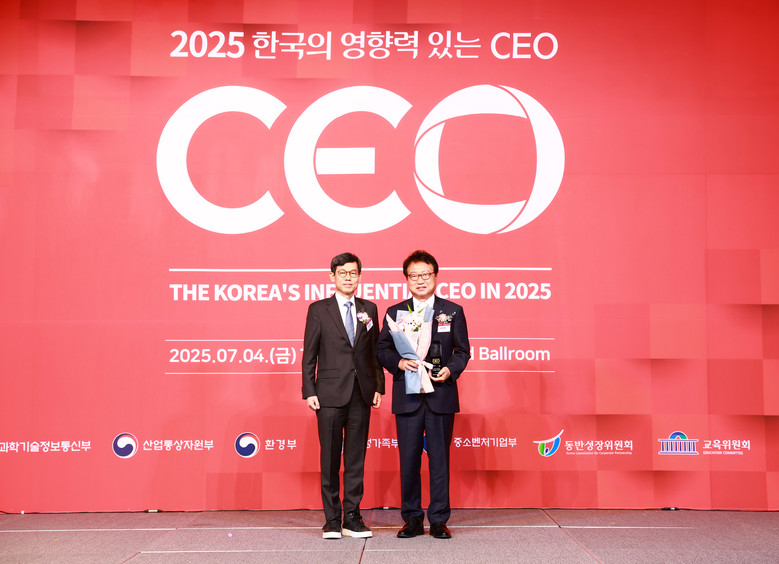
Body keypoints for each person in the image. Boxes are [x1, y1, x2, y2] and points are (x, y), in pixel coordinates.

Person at [376, 250, 470, 539]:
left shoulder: (452, 310)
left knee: (440, 460)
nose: (420, 280)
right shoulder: (395, 312)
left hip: (440, 394)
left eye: (425, 275)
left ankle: (439, 520)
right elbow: (382, 349)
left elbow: (463, 351)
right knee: (409, 461)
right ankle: (413, 519)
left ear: (435, 276)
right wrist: (399, 363)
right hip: (408, 395)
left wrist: (451, 369)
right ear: (406, 279)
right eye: (414, 276)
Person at [302, 252, 384, 539]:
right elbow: (309, 353)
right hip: (328, 394)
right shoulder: (318, 309)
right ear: (332, 276)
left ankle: (352, 516)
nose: (348, 277)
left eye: (353, 273)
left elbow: (374, 351)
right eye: (343, 273)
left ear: (360, 276)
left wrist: (378, 386)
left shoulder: (369, 308)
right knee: (329, 458)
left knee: (356, 458)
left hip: (361, 392)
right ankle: (332, 519)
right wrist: (309, 390)